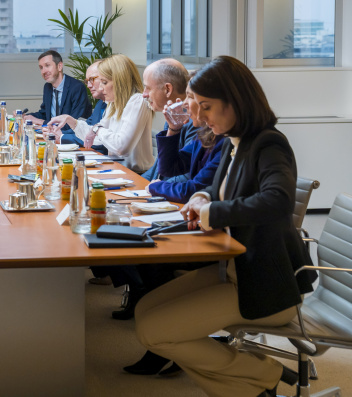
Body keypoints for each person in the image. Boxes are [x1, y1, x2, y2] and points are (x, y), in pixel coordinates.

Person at [134, 56, 313, 397]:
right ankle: (254, 384)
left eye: (207, 107)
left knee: (153, 333)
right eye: (195, 107)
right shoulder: (236, 142)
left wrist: (212, 212)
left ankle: (261, 375)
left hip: (263, 283)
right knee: (144, 311)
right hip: (232, 268)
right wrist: (203, 196)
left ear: (237, 102)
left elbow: (277, 200)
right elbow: (216, 190)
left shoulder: (268, 143)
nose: (198, 118)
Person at [49, 54, 154, 173]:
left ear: (119, 81)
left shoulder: (138, 101)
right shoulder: (113, 103)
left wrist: (97, 130)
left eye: (104, 82)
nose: (101, 88)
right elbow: (97, 139)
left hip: (137, 174)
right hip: (117, 170)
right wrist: (71, 120)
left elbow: (121, 147)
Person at [140, 58, 197, 181]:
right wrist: (134, 182)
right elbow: (158, 169)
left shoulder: (194, 122)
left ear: (167, 89)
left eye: (147, 88)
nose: (144, 94)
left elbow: (188, 175)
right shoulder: (174, 116)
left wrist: (156, 187)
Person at [25, 50, 91, 128]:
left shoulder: (77, 87)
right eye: (41, 67)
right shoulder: (47, 87)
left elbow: (75, 124)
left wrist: (41, 122)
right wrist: (26, 116)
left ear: (59, 66)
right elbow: (44, 114)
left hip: (70, 138)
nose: (43, 71)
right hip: (51, 135)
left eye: (47, 65)